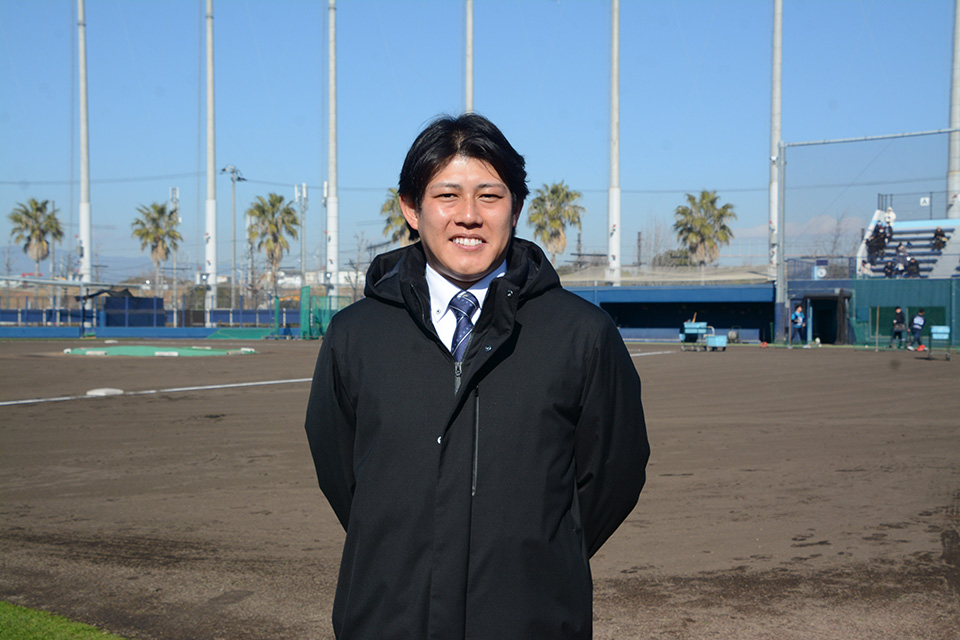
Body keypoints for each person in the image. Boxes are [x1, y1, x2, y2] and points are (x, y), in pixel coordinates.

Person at [304, 113, 650, 639]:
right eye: (447, 196)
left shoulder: (582, 334)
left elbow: (613, 474)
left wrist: (540, 549)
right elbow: (342, 474)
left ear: (516, 208)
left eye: (489, 196)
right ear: (411, 208)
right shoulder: (355, 335)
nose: (468, 216)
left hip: (530, 620)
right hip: (386, 617)